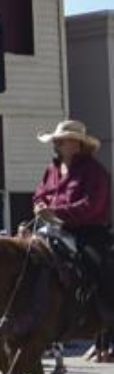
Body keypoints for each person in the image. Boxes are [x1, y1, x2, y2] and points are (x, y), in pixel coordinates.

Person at [33, 119, 112, 309]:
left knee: (100, 269)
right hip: (50, 229)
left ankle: (107, 317)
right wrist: (39, 206)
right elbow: (39, 195)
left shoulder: (95, 171)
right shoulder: (51, 169)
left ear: (77, 144)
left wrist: (54, 211)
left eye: (62, 140)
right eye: (55, 140)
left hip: (87, 232)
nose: (56, 144)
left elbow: (91, 206)